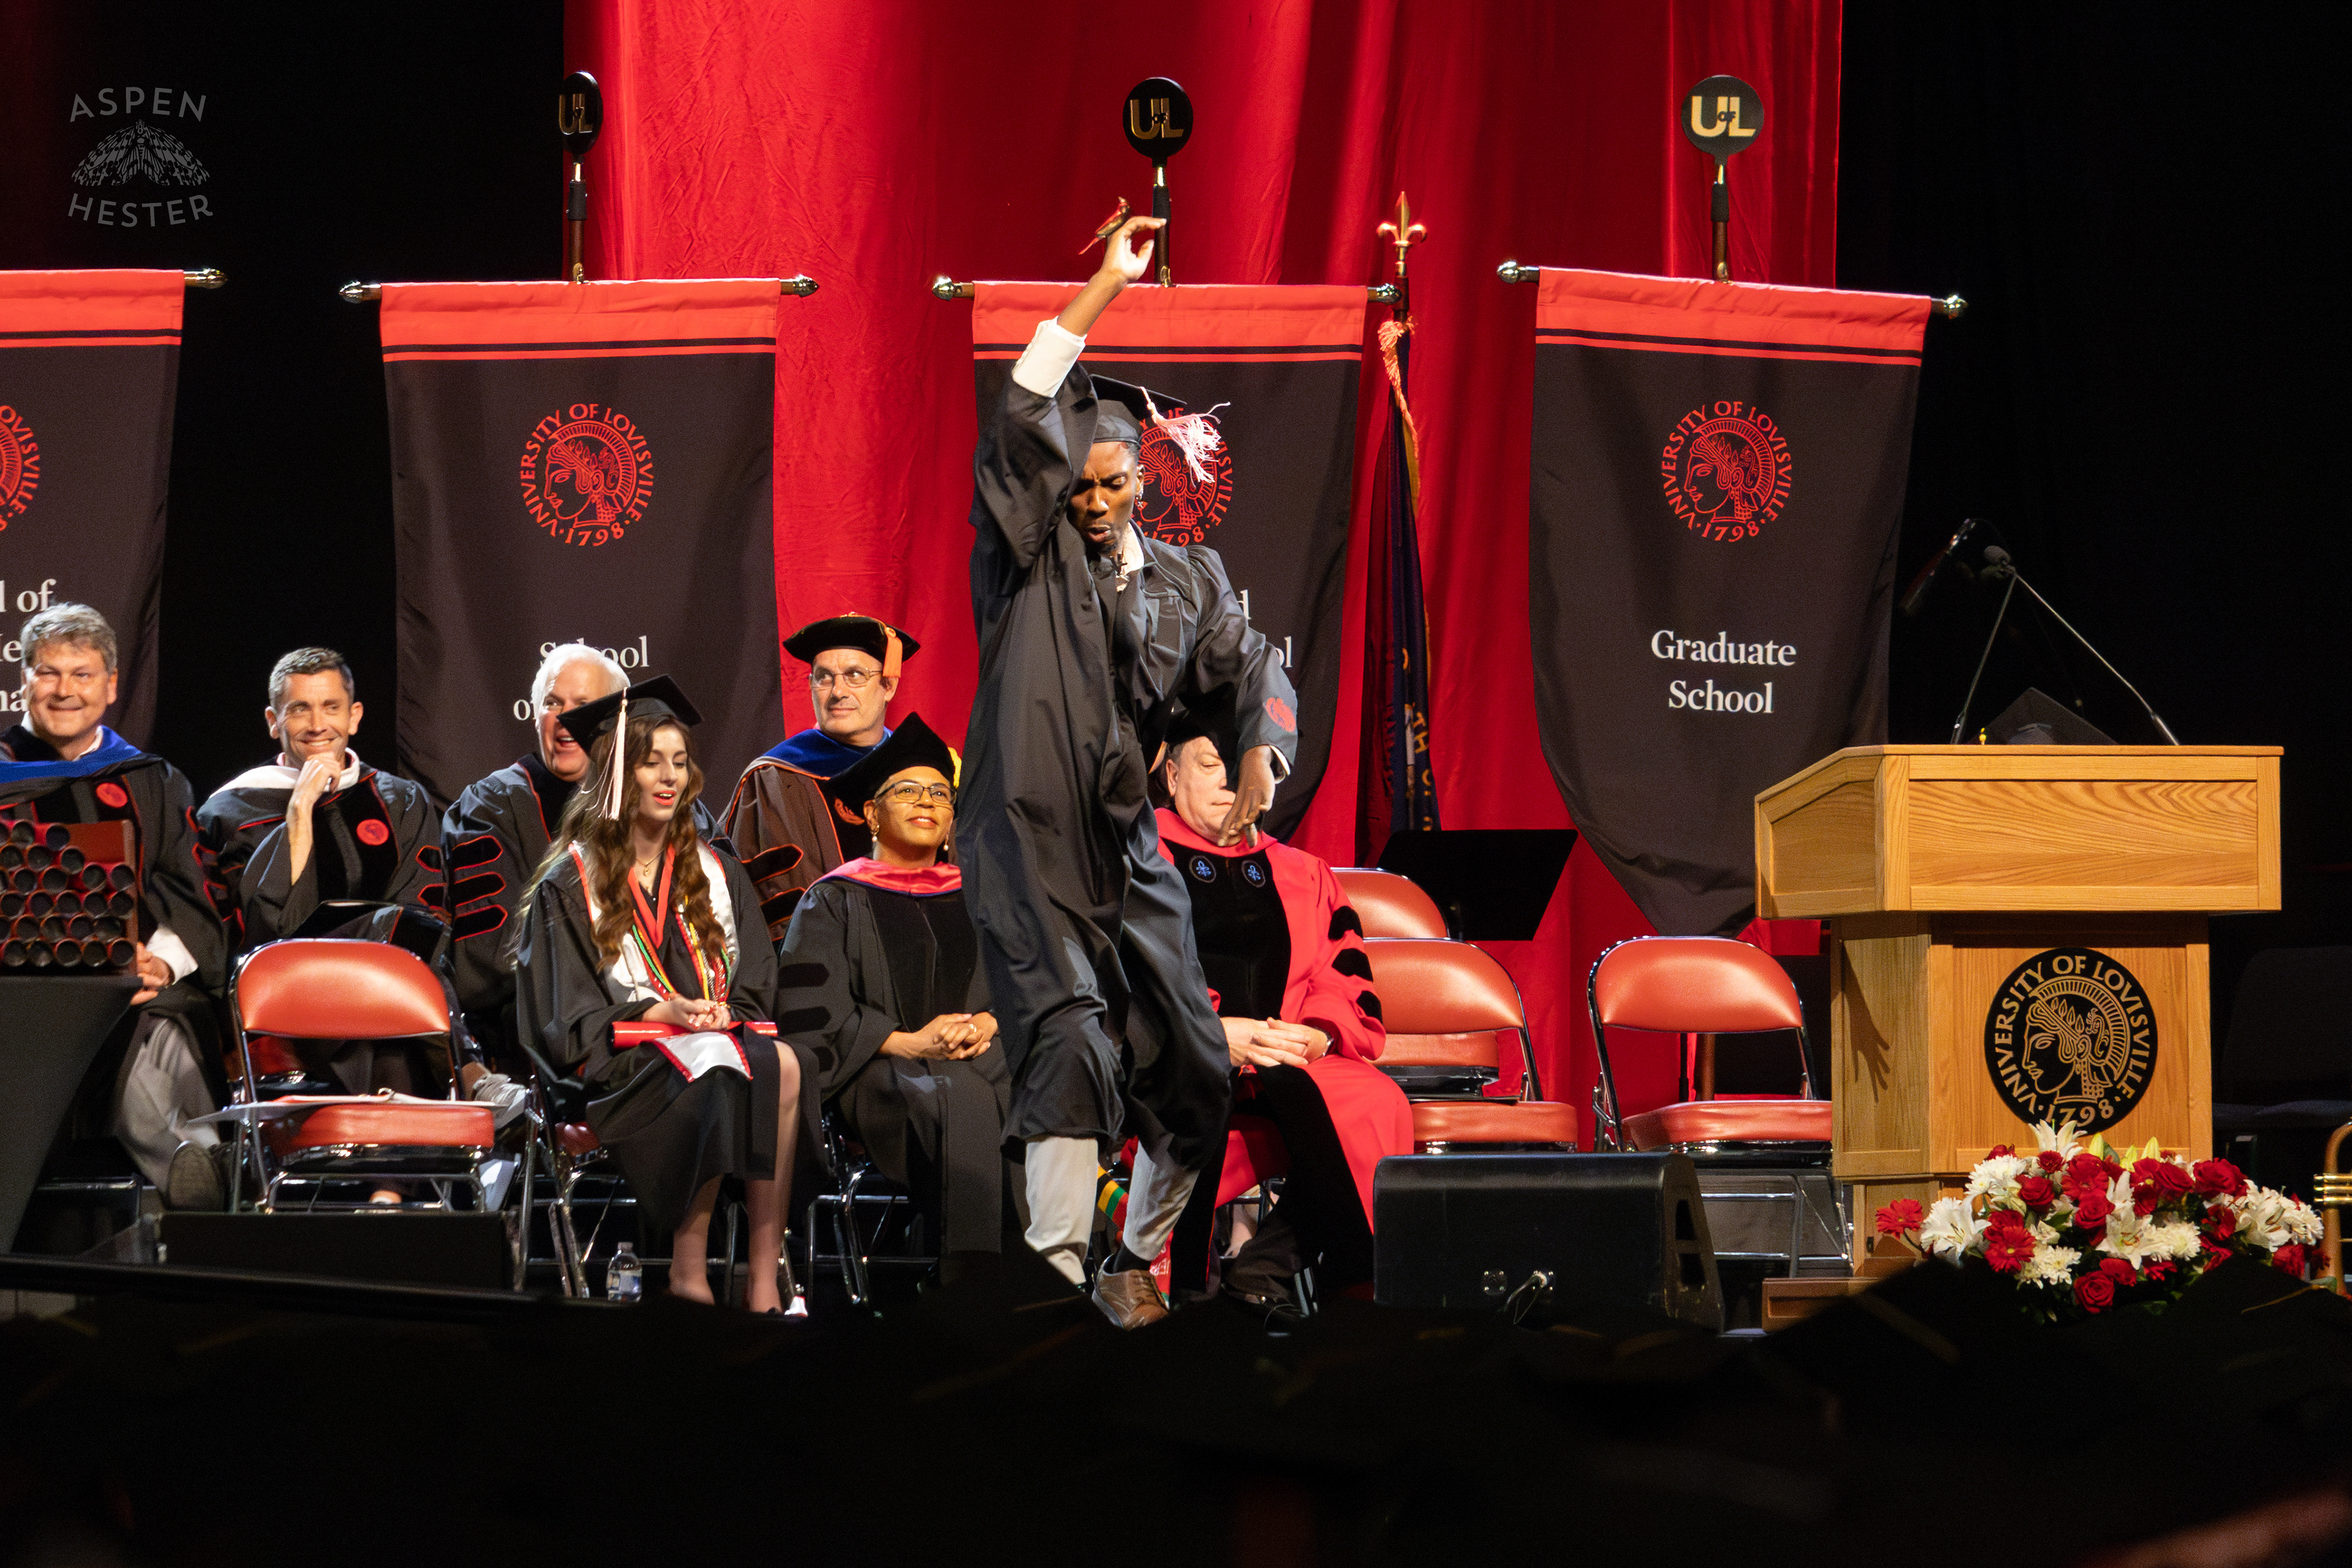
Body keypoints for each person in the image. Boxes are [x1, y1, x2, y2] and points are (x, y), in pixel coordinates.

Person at [961, 214, 1300, 1327]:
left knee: (1196, 1062)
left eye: (1110, 486)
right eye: (1080, 485)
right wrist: (1104, 285)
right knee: (1065, 1038)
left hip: (1124, 834)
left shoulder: (1185, 579)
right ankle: (1059, 1281)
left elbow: (1248, 663)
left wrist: (1265, 745)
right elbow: (1023, 405)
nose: (1093, 503)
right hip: (1025, 822)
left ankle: (1131, 1255)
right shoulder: (1024, 548)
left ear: (1140, 483)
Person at [516, 676, 817, 1311]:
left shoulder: (715, 870)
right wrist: (665, 1011)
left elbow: (756, 983)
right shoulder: (570, 882)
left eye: (679, 762)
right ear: (616, 771)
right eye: (651, 761)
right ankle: (689, 1266)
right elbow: (565, 1018)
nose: (669, 777)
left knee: (787, 1063)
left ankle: (764, 1280)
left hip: (710, 1042)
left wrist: (718, 1013)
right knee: (714, 1062)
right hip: (616, 1063)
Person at [1153, 698, 1411, 1313]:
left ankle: (1272, 1268)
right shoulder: (1140, 860)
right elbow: (1129, 974)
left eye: (1242, 768)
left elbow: (1339, 969)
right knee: (1198, 1103)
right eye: (1212, 763)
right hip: (1181, 1054)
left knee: (1376, 1102)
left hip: (1288, 1057)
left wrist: (1318, 1033)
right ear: (1170, 774)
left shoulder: (1302, 871)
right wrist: (1215, 1033)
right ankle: (1184, 1285)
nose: (1228, 782)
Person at [0, 605, 232, 1208]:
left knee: (151, 1020)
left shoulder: (150, 780)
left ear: (110, 685)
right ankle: (199, 1165)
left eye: (82, 674)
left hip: (134, 992)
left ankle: (201, 1172)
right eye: (49, 673)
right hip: (14, 991)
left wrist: (157, 962)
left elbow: (192, 890)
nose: (65, 690)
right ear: (23, 680)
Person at [775, 714, 1014, 1262]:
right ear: (871, 813)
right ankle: (975, 1287)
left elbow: (1019, 983)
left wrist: (988, 1022)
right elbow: (812, 1015)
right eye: (907, 791)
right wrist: (908, 1043)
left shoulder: (978, 894)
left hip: (983, 1051)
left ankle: (1057, 1281)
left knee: (1039, 1090)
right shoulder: (833, 899)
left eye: (939, 793)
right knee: (954, 1098)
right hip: (881, 1068)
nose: (927, 802)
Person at [198, 647, 472, 1102]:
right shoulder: (228, 812)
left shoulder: (400, 800)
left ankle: (391, 1166)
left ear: (355, 716)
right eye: (299, 709)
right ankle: (471, 1071)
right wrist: (300, 810)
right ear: (273, 721)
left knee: (399, 946)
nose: (317, 724)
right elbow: (263, 930)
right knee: (388, 939)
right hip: (291, 994)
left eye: (331, 707)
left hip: (390, 991)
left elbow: (421, 913)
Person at [439, 643, 628, 1061]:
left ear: (615, 720)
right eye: (552, 703)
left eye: (583, 704)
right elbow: (491, 958)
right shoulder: (490, 805)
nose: (564, 720)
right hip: (536, 1029)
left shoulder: (645, 798)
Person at [723, 614, 926, 944]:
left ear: (888, 686)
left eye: (855, 676)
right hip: (821, 975)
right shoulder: (775, 779)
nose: (837, 692)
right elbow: (758, 906)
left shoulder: (921, 774)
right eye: (824, 678)